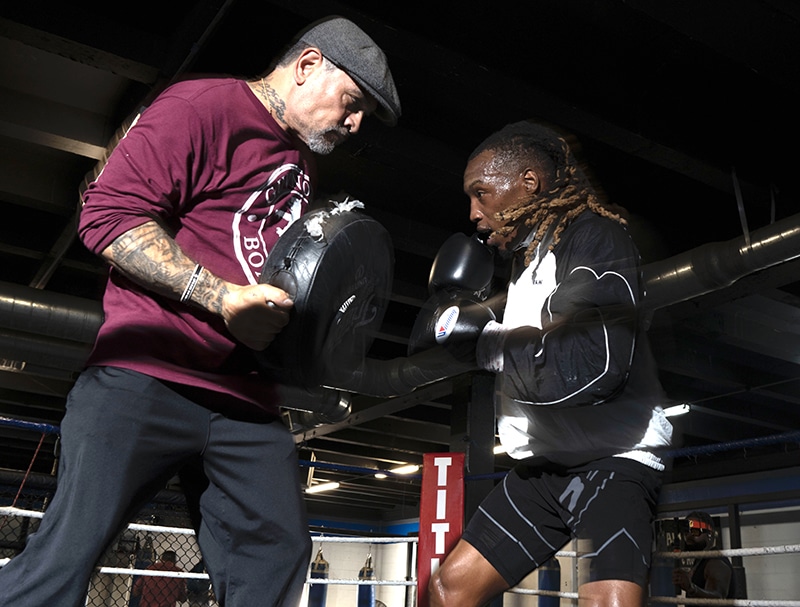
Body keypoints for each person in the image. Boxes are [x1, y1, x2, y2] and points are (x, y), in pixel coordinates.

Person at [0, 15, 399, 607]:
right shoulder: (203, 105)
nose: (354, 122)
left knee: (276, 558)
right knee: (64, 561)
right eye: (352, 101)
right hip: (146, 375)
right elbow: (106, 216)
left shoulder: (299, 162)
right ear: (308, 65)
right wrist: (220, 297)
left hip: (244, 400)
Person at [426, 121, 673, 606]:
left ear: (529, 182)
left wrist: (487, 343)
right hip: (544, 469)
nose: (473, 213)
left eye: (481, 193)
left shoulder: (597, 239)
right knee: (447, 589)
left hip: (613, 460)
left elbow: (591, 367)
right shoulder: (529, 263)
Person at [672, 511, 735, 599]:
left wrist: (691, 588)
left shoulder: (716, 562)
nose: (689, 536)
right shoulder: (701, 560)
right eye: (686, 532)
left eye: (695, 531)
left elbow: (717, 597)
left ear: (710, 534)